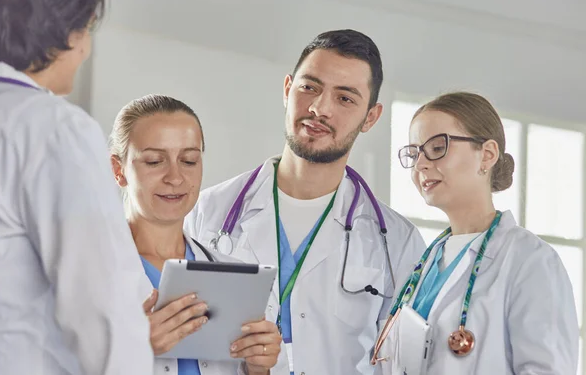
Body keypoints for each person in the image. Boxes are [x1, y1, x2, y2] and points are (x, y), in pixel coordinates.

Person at [184, 29, 426, 375]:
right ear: (287, 89)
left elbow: (399, 365)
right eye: (309, 87)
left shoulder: (397, 242)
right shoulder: (208, 212)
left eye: (345, 98)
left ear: (370, 117)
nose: (319, 108)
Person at [0, 0, 153, 374]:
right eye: (88, 29)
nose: (87, 48)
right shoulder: (51, 127)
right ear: (64, 32)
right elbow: (102, 311)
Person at [377, 91, 579, 374]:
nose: (421, 163)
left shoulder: (530, 261)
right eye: (414, 153)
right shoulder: (422, 263)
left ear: (487, 154)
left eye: (437, 148)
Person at [109, 94, 282, 375]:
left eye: (189, 161)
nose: (175, 177)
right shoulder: (81, 272)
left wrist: (257, 369)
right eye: (154, 161)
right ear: (119, 170)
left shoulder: (233, 276)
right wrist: (130, 348)